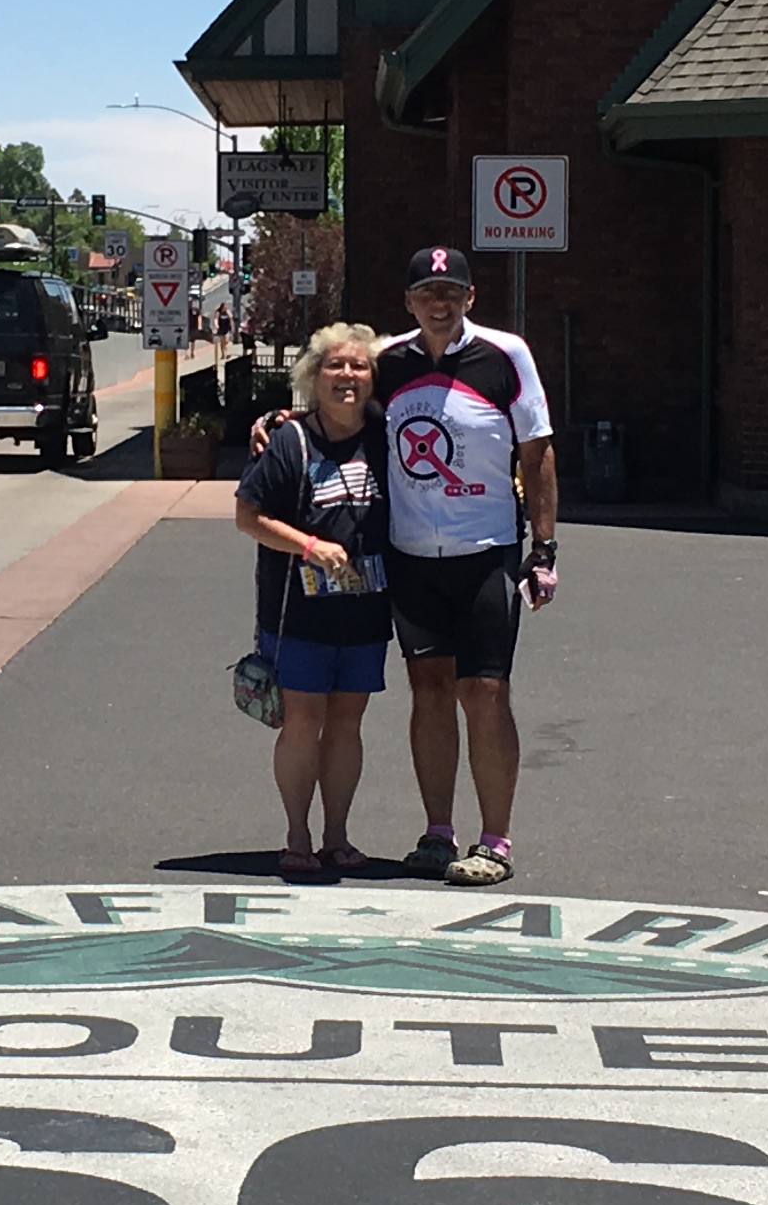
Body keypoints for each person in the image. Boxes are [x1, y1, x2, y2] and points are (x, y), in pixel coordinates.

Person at [371, 245, 557, 885]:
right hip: (411, 554)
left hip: (486, 552)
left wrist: (544, 548)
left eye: (451, 292)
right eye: (427, 293)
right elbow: (338, 415)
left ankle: (495, 842)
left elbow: (537, 451)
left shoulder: (506, 354)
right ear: (409, 301)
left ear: (470, 298)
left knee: (485, 691)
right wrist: (280, 422)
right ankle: (437, 834)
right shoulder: (388, 361)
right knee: (428, 690)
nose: (439, 303)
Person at [232, 323, 394, 881]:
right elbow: (248, 517)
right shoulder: (290, 441)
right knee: (303, 720)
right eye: (335, 366)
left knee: (348, 723)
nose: (347, 376)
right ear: (313, 375)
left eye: (359, 366)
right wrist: (308, 545)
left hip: (366, 609)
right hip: (297, 612)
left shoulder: (387, 435)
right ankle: (297, 835)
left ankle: (337, 836)